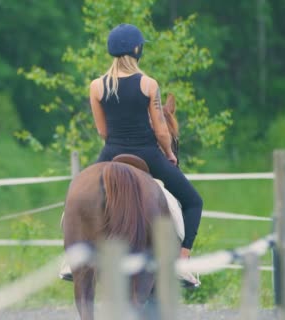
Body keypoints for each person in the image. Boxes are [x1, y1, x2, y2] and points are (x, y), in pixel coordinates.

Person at [90, 23, 202, 286]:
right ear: (137, 50)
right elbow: (163, 131)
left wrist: (117, 144)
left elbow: (102, 131)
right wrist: (168, 155)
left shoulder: (96, 86)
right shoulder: (149, 84)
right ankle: (182, 263)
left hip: (112, 151)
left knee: (80, 197)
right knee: (194, 201)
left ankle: (73, 258)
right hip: (148, 153)